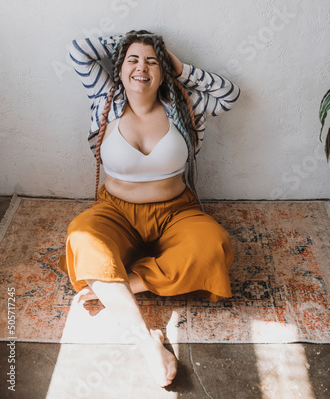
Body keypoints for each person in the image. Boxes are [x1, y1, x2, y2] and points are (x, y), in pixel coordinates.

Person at [60, 30, 240, 387]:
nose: (141, 67)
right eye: (132, 60)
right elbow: (78, 50)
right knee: (82, 237)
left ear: (163, 71)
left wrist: (179, 66)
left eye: (151, 61)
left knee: (214, 246)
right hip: (115, 211)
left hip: (177, 211)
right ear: (119, 68)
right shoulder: (104, 98)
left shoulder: (184, 104)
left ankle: (119, 282)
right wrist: (135, 41)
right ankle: (147, 343)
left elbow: (229, 94)